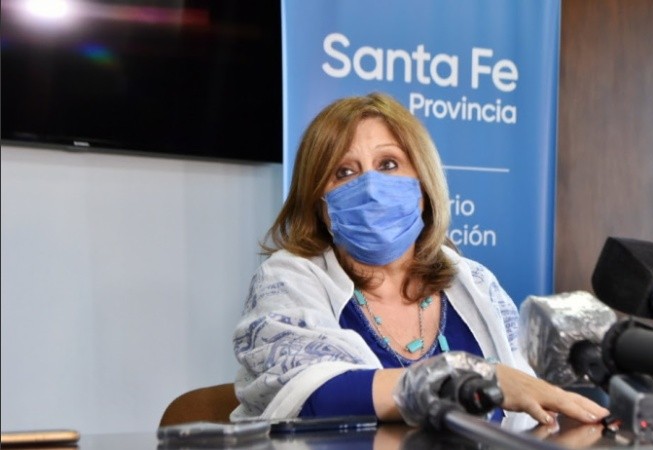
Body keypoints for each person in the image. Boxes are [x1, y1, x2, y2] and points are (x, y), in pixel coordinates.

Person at [230, 92, 609, 428]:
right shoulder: (288, 279)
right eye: (344, 172)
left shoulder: (474, 282)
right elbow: (317, 397)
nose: (371, 188)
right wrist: (476, 378)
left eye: (388, 164)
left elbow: (524, 408)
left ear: (423, 187)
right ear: (319, 204)